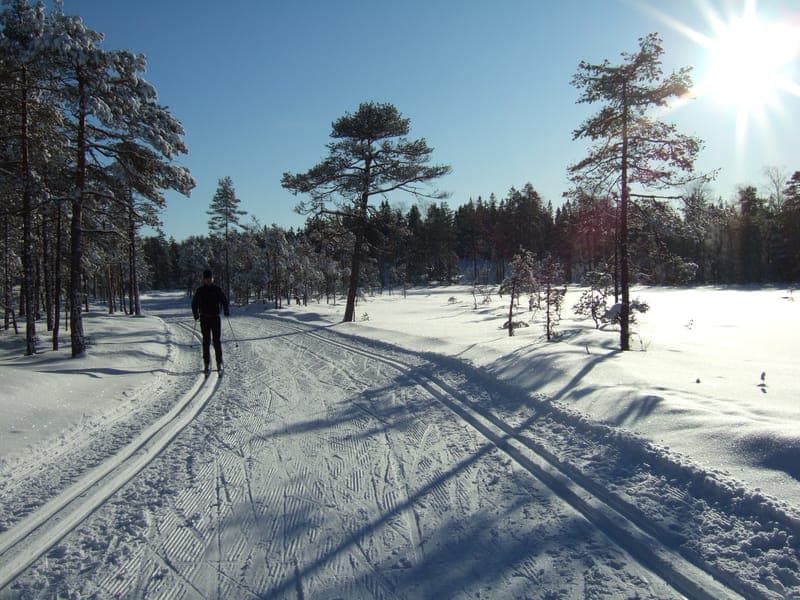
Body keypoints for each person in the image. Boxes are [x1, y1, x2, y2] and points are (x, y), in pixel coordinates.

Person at [191, 269, 230, 374]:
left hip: (215, 318)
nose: (208, 280)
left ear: (213, 279)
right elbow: (194, 303)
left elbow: (224, 300)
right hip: (204, 318)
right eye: (206, 279)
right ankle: (207, 363)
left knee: (217, 341)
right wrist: (195, 314)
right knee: (206, 342)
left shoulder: (217, 289)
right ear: (204, 280)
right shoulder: (200, 291)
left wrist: (226, 309)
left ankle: (219, 362)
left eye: (210, 278)